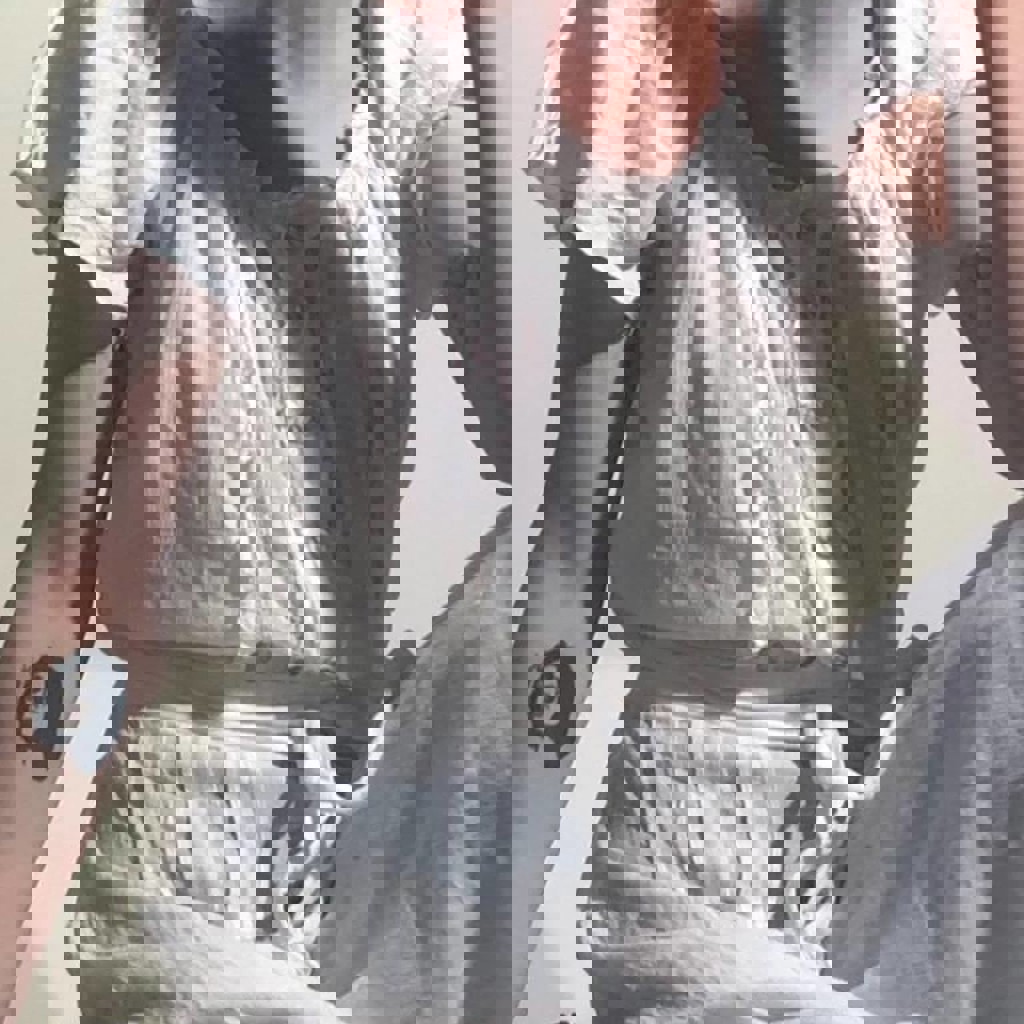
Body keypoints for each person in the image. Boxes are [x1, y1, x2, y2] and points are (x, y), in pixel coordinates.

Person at [0, 1, 512, 1020]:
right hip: (169, 836)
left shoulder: (426, 80)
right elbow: (68, 564)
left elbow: (558, 470)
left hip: (352, 846)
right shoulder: (129, 48)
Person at [521, 0, 1024, 1019]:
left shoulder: (936, 73)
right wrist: (509, 838)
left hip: (882, 811)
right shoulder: (640, 57)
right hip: (691, 808)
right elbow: (568, 539)